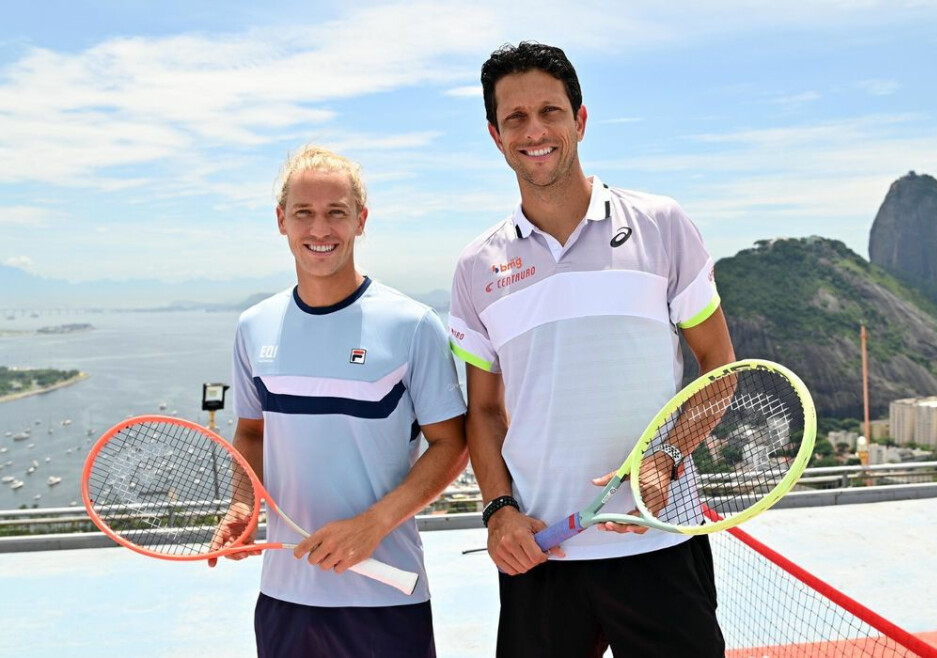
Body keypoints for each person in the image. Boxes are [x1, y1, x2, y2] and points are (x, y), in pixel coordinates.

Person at [448, 42, 737, 657]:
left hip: (660, 541)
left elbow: (719, 367)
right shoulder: (476, 267)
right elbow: (484, 412)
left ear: (579, 120)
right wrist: (499, 510)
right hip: (543, 551)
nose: (535, 131)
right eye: (515, 119)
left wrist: (665, 454)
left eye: (550, 111)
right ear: (496, 137)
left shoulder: (662, 224)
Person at [216, 145, 467, 657]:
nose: (320, 229)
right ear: (281, 220)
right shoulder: (253, 327)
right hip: (285, 598)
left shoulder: (412, 325)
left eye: (337, 212)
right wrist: (244, 500)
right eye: (304, 213)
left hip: (388, 596)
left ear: (361, 220)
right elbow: (251, 432)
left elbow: (452, 445)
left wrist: (372, 525)